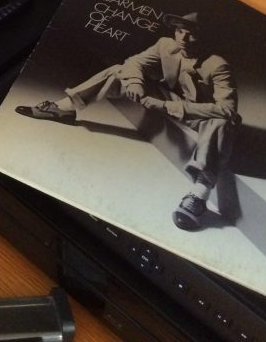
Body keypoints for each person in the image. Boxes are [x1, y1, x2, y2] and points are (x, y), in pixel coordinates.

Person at [16, 12, 240, 231]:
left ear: (204, 38)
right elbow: (134, 62)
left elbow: (226, 109)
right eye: (180, 31)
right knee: (118, 70)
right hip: (167, 100)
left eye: (190, 34)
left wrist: (164, 106)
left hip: (199, 116)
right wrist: (134, 82)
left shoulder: (217, 65)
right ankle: (63, 109)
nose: (182, 38)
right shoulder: (166, 45)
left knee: (222, 123)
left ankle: (199, 194)